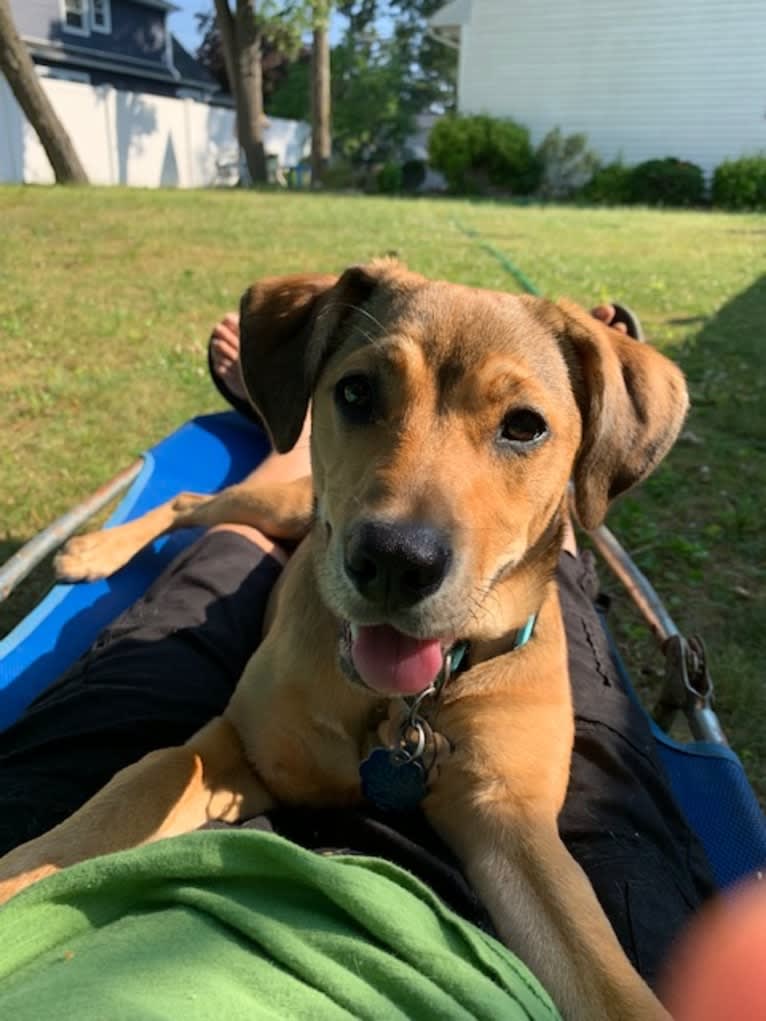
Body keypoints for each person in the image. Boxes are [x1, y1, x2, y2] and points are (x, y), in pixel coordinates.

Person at [0, 300, 714, 1018]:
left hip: (510, 643)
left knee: (544, 550)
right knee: (256, 524)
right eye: (364, 393)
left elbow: (519, 844)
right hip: (318, 565)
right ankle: (245, 457)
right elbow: (230, 757)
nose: (405, 532)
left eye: (519, 425)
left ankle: (550, 482)